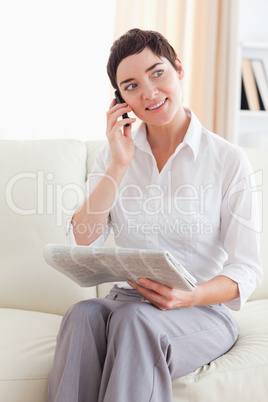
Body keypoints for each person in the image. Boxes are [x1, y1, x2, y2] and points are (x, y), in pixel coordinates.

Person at [47, 28, 262, 402]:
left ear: (178, 69)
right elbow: (82, 239)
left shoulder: (227, 160)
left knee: (135, 322)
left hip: (202, 310)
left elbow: (247, 270)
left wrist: (189, 295)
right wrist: (118, 165)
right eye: (131, 85)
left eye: (157, 73)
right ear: (121, 99)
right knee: (81, 315)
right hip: (128, 301)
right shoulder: (115, 154)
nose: (148, 92)